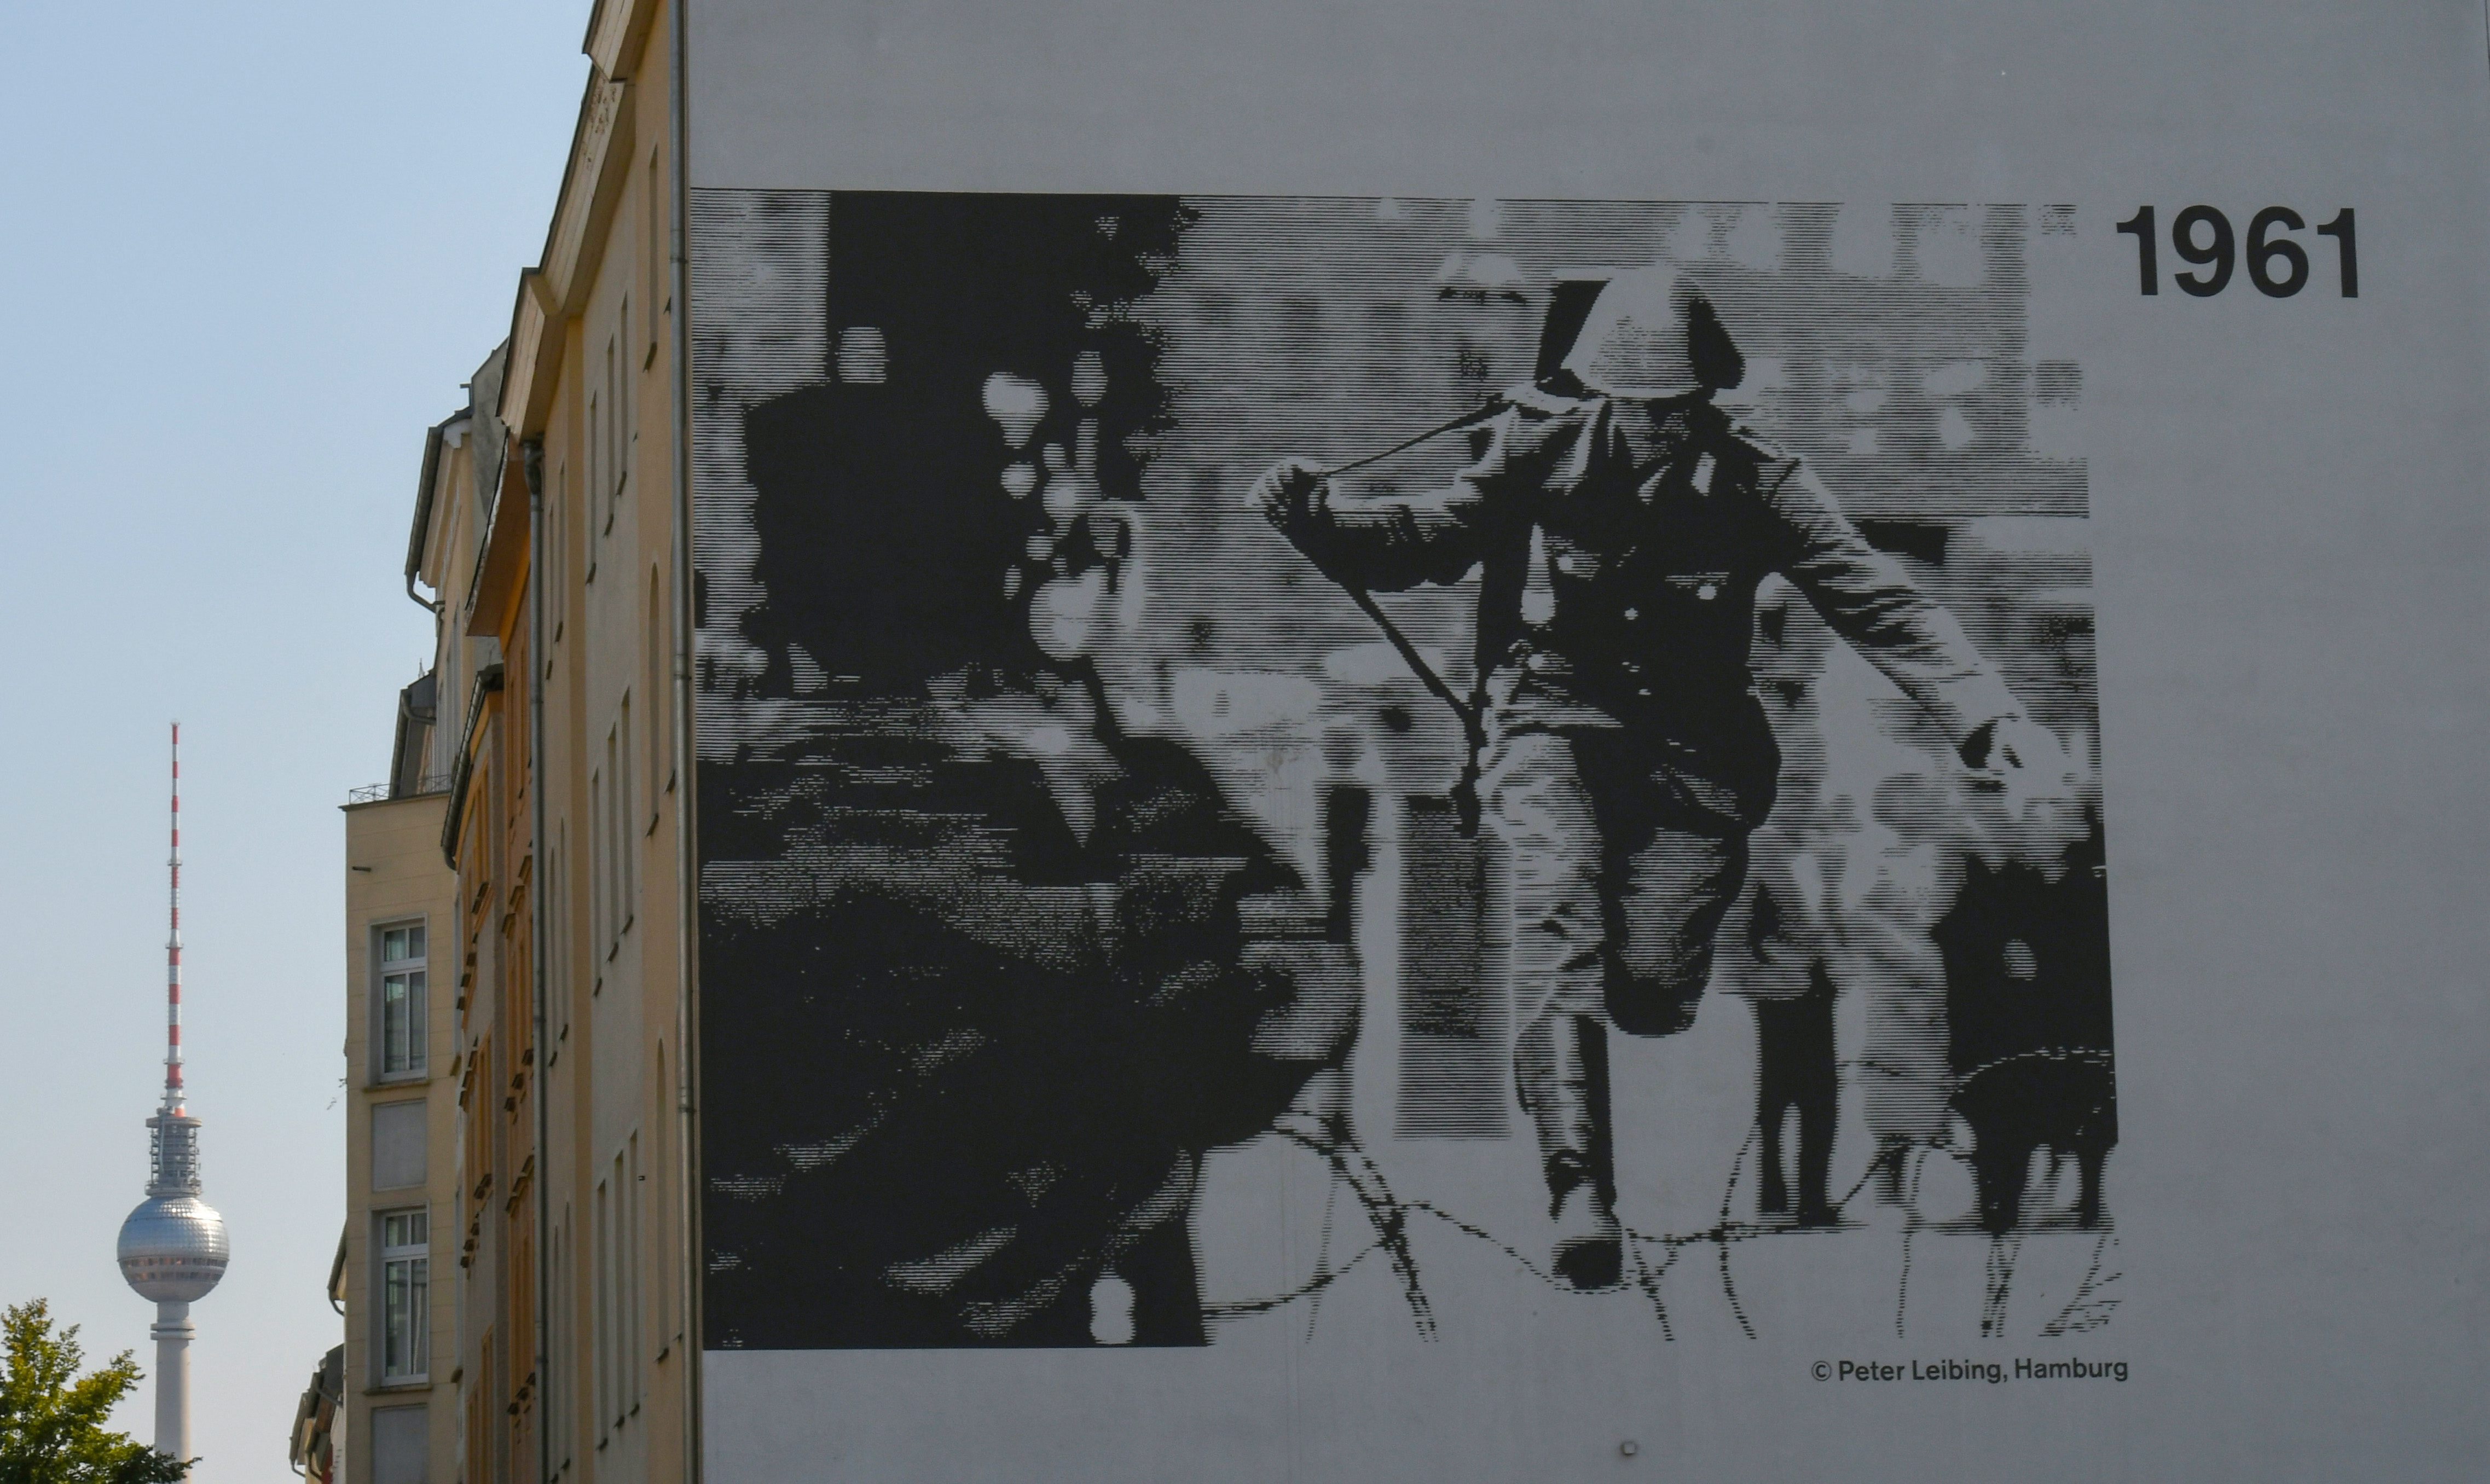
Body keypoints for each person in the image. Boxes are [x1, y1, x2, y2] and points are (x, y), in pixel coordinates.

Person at [1249, 265, 2062, 1288]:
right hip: (1553, 718)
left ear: (1703, 398)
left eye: (1673, 408)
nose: (1653, 427)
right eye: (1633, 406)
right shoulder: (1537, 448)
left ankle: (1631, 1009)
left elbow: (1876, 599)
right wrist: (1315, 518)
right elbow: (1431, 539)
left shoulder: (1760, 478)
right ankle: (1579, 1193)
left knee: (1650, 993)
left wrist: (1989, 715)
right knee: (1558, 921)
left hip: (1694, 759)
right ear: (1599, 392)